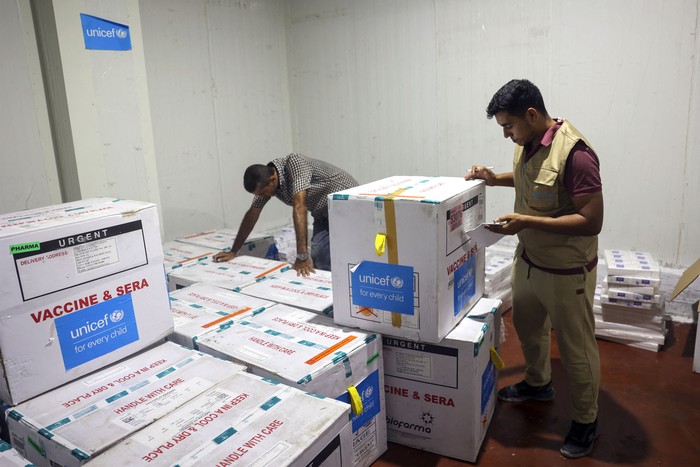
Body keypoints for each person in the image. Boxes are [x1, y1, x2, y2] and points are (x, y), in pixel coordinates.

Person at [466, 79, 604, 459]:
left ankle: (586, 420)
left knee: (576, 349)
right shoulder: (528, 143)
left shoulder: (576, 155)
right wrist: (494, 179)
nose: (507, 134)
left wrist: (526, 222)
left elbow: (592, 220)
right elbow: (531, 182)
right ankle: (538, 383)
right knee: (528, 329)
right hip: (528, 261)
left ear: (531, 114)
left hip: (565, 271)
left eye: (509, 126)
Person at [213, 153, 358, 276]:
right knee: (320, 255)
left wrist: (301, 255)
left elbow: (300, 206)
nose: (263, 196)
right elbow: (252, 213)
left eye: (263, 193)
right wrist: (234, 251)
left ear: (272, 180)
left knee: (353, 252)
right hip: (323, 212)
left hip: (348, 205)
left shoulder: (295, 163)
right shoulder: (266, 183)